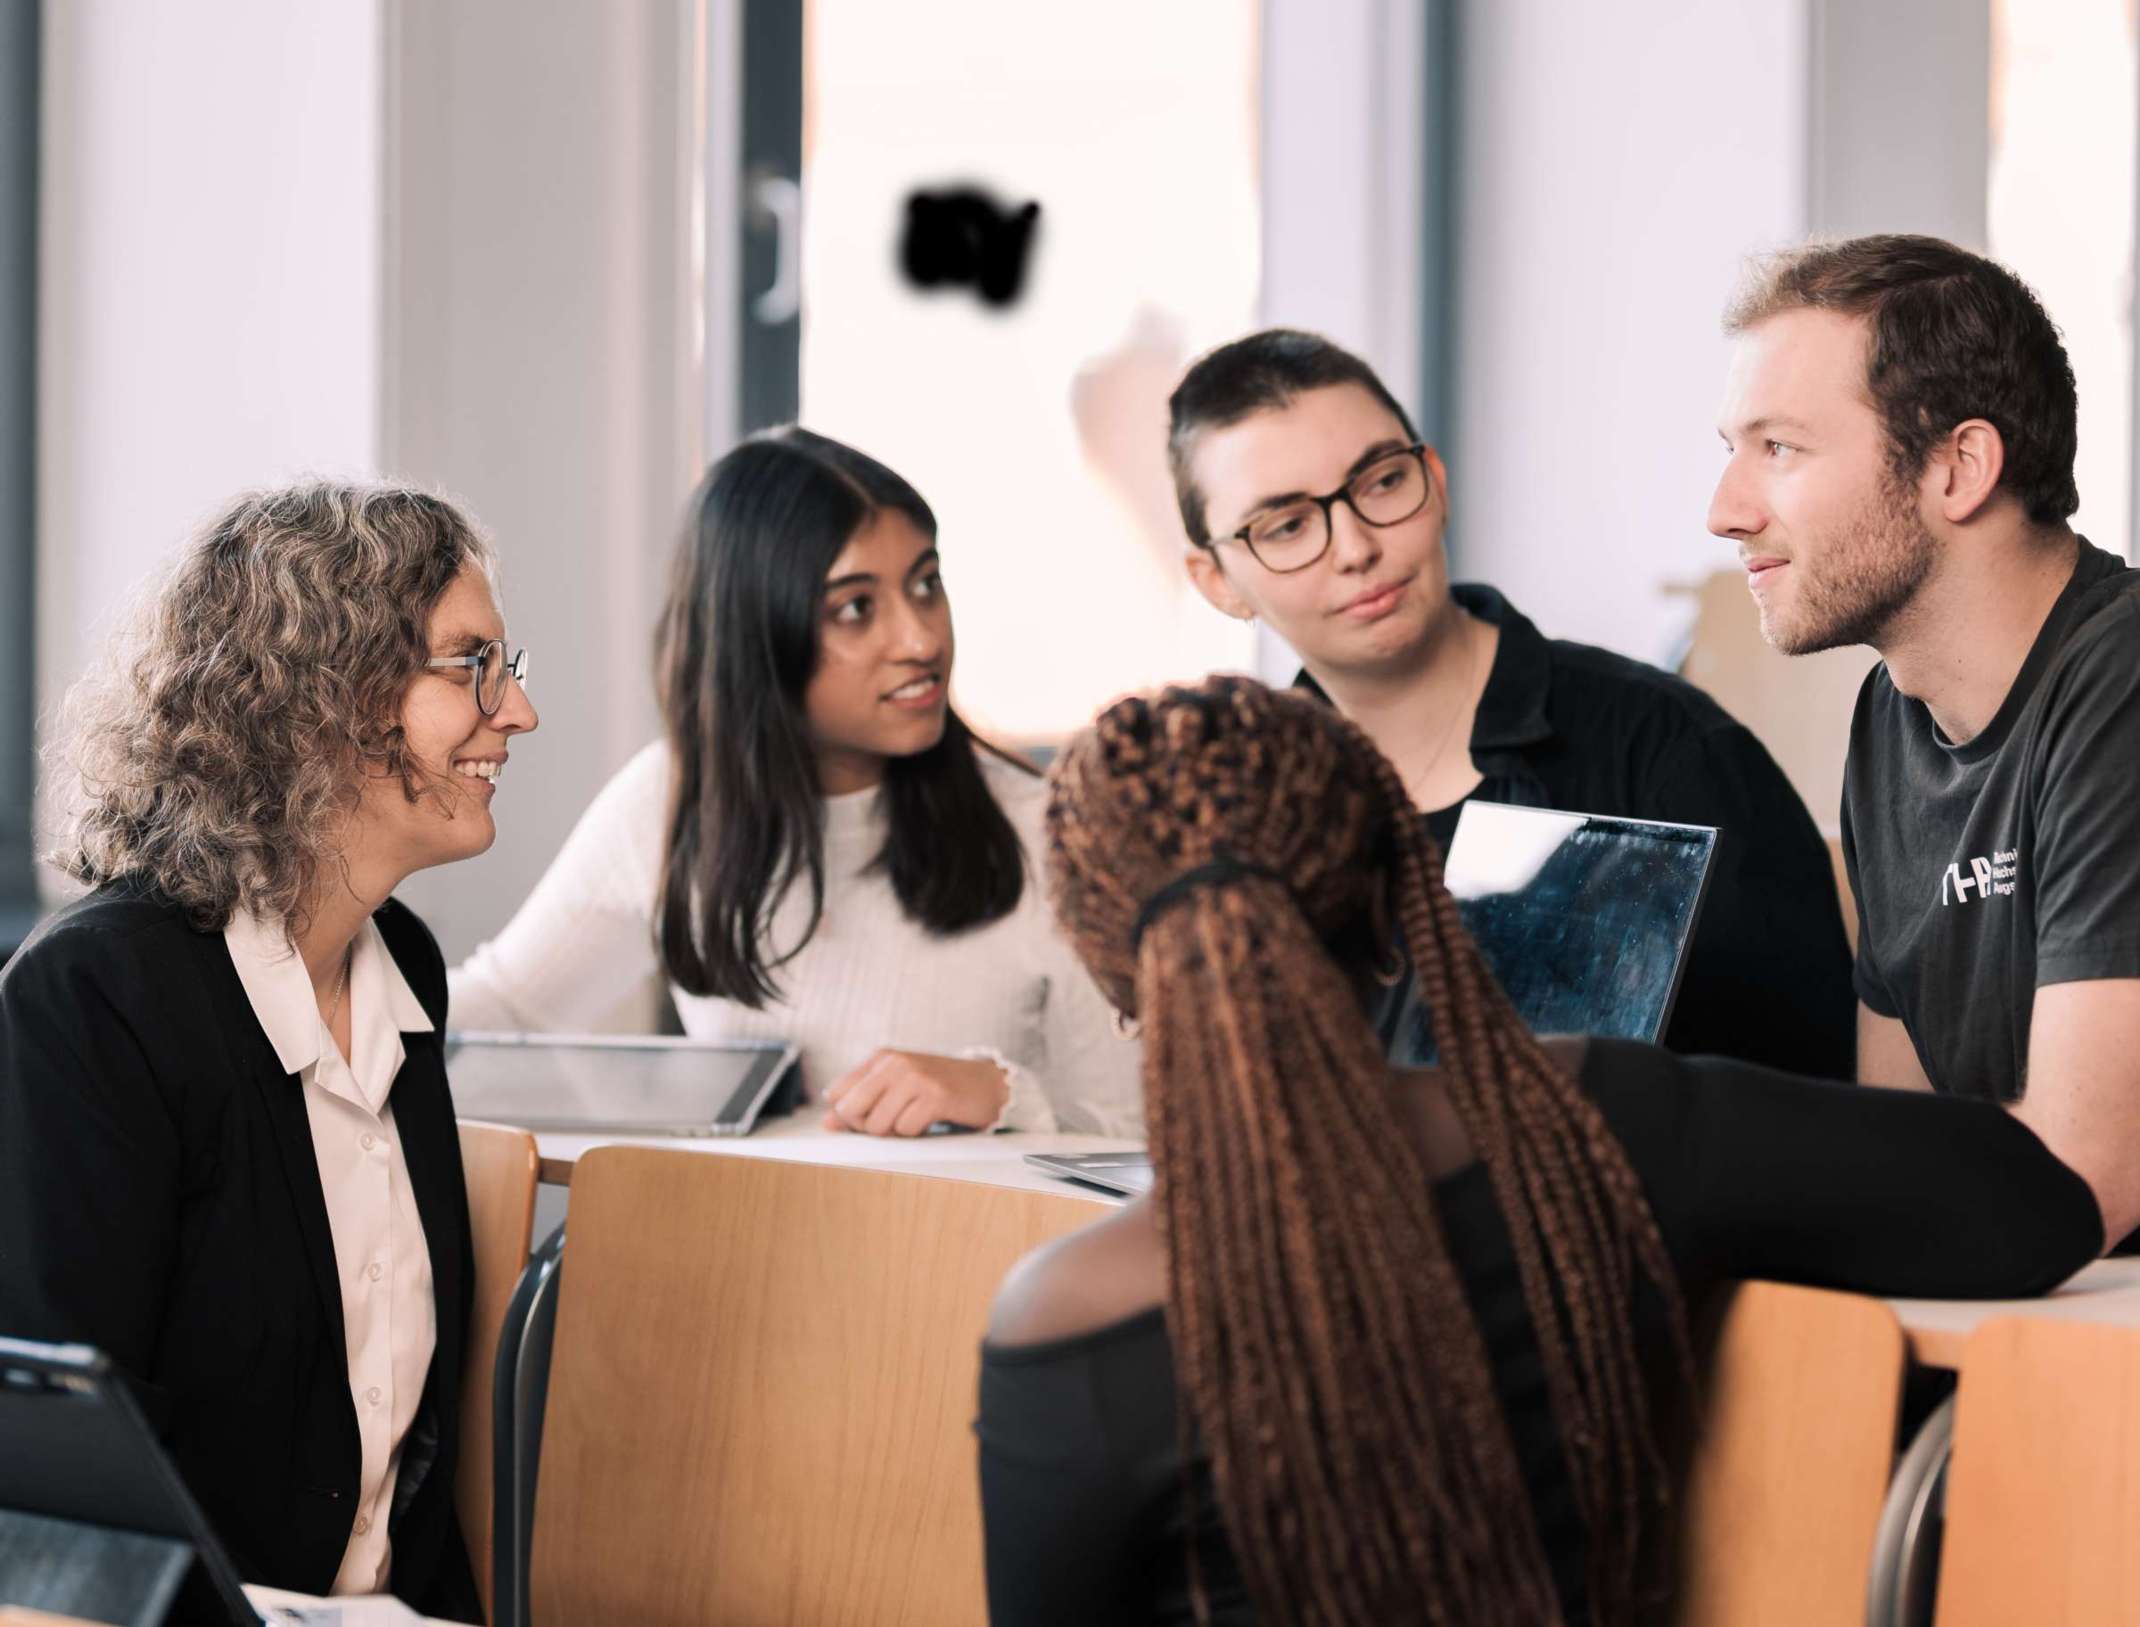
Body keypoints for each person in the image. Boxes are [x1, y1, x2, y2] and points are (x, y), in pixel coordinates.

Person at [976, 676, 2099, 1626]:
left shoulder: (1061, 1318)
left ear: (1117, 980)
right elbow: (2038, 1206)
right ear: (1392, 915)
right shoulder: (1598, 1122)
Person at [0, 483, 538, 1616]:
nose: (518, 711)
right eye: (472, 665)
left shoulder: (405, 962)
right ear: (324, 694)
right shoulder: (100, 996)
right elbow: (76, 1492)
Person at [1165, 329, 1855, 1078]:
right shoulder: (1230, 815)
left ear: (1435, 481)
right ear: (1218, 582)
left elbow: (1807, 1101)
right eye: (1289, 526)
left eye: (1382, 482)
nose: (1356, 547)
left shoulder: (1667, 754)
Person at [450, 428, 1139, 1137]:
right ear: (755, 639)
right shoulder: (669, 800)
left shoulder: (1050, 835)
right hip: (747, 1213)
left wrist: (1003, 1096)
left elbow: (1135, 1136)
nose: (922, 639)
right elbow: (502, 1010)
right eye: (856, 608)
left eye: (926, 584)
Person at [1710, 234, 2140, 1246]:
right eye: (1730, 450)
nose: (1725, 511)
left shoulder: (2121, 683)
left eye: (1779, 448)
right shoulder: (1893, 717)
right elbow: (1902, 1150)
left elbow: (2090, 1179)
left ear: (1958, 466)